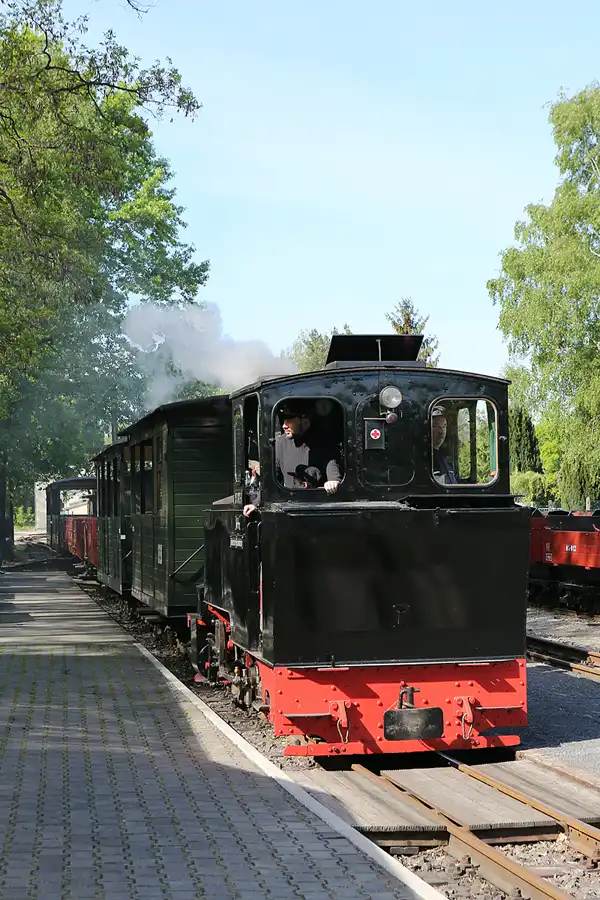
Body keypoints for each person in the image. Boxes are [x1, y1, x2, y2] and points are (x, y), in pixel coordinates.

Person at [243, 403, 342, 517]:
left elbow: (332, 466)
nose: (284, 426)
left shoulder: (323, 443)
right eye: (283, 421)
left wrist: (333, 481)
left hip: (318, 509)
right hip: (289, 510)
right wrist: (257, 503)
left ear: (304, 421)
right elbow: (273, 478)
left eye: (289, 421)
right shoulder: (280, 443)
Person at [431, 406, 458, 484]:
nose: (441, 431)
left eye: (444, 426)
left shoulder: (442, 456)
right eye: (436, 426)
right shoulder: (426, 458)